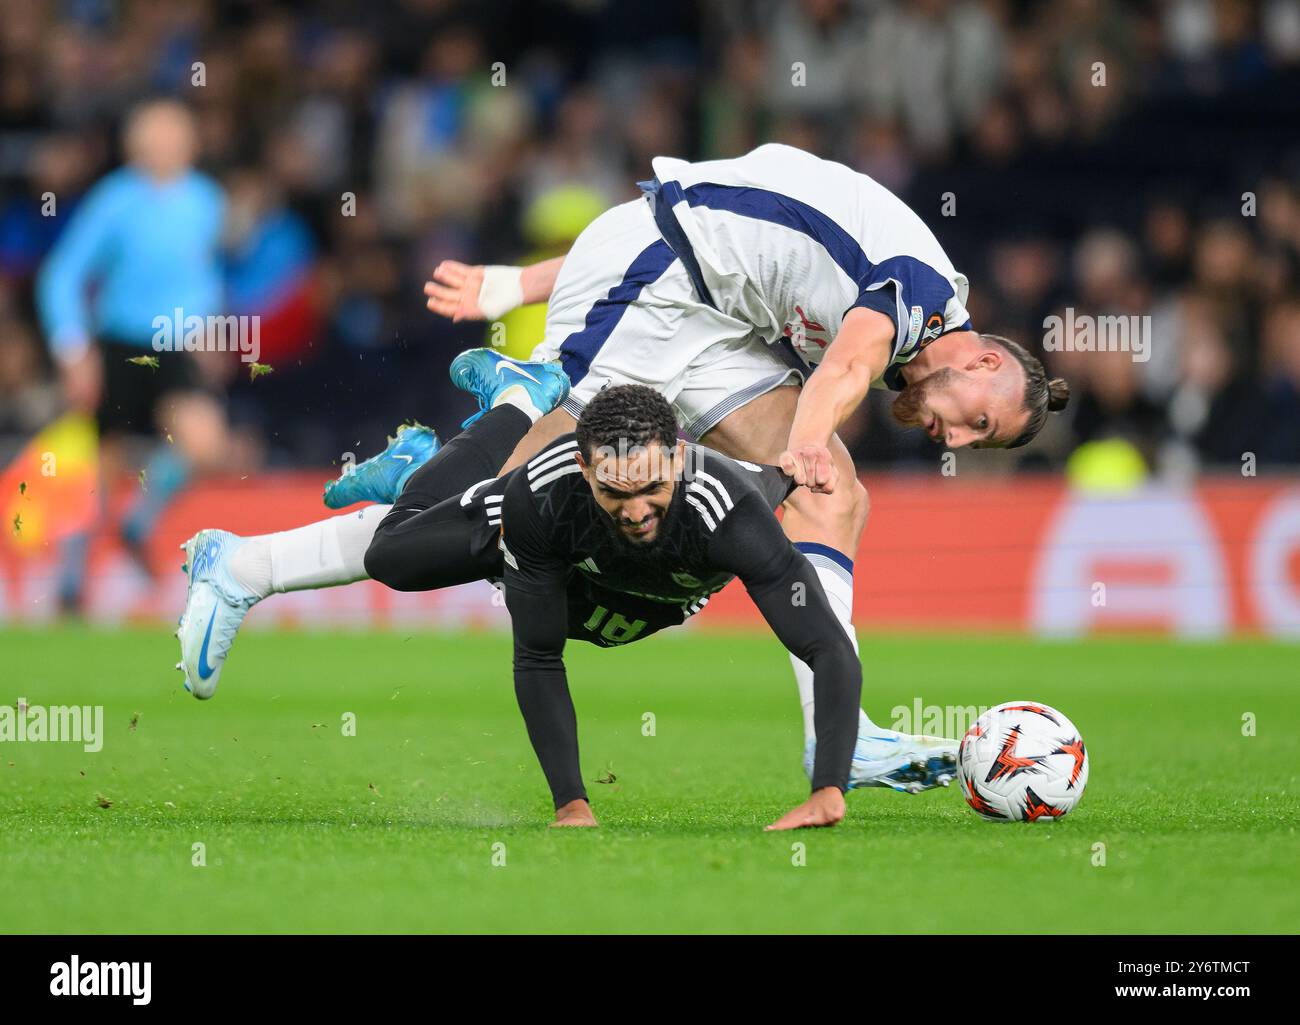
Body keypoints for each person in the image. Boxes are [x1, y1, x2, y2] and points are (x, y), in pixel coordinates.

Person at [423, 142, 1069, 768]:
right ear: (985, 359)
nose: (956, 440)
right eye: (977, 421)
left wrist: (512, 284)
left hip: (713, 320)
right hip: (669, 284)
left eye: (978, 441)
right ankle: (419, 482)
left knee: (833, 496)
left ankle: (841, 734)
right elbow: (840, 363)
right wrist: (807, 440)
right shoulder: (920, 297)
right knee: (507, 491)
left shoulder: (909, 332)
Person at [176, 380, 959, 824]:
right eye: (618, 490)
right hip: (560, 559)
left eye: (654, 485)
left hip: (624, 600)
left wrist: (827, 789)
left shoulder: (732, 510)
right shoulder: (546, 496)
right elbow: (539, 654)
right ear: (587, 471)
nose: (641, 507)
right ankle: (513, 407)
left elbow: (823, 642)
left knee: (411, 531)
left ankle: (443, 448)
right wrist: (572, 803)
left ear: (679, 459)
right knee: (393, 553)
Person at [36, 98, 232, 610]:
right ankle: (71, 585)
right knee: (101, 472)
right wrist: (73, 349)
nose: (167, 143)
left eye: (176, 132)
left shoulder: (206, 200)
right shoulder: (115, 200)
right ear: (136, 143)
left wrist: (210, 327)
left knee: (205, 444)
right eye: (156, 133)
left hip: (175, 345)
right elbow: (62, 274)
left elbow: (202, 274)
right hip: (120, 344)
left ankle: (137, 523)